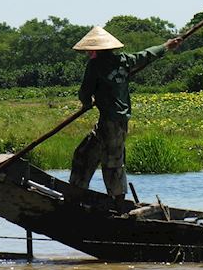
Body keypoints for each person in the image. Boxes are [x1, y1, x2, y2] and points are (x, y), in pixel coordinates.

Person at [69, 25, 182, 209]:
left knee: (113, 162)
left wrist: (86, 102)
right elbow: (146, 55)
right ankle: (75, 194)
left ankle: (118, 203)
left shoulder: (95, 65)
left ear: (96, 50)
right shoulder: (124, 61)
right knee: (84, 153)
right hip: (110, 121)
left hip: (113, 121)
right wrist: (166, 45)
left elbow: (85, 92)